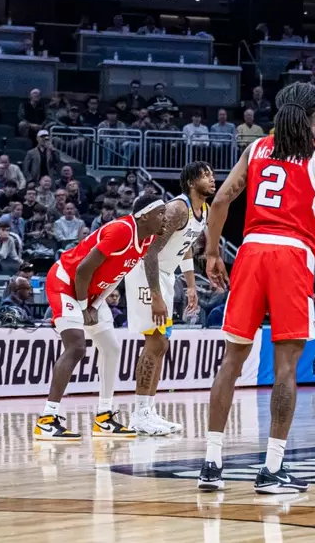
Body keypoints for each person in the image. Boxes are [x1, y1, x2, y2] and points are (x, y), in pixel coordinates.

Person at [199, 82, 315, 494]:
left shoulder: (257, 148)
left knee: (231, 362)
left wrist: (212, 254)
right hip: (292, 256)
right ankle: (272, 468)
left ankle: (211, 463)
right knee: (285, 368)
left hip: (250, 252)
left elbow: (222, 200)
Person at [34, 198, 184, 441]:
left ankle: (104, 417)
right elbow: (83, 269)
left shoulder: (146, 240)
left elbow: (116, 276)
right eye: (160, 213)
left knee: (112, 348)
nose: (165, 218)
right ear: (144, 216)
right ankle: (47, 419)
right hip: (65, 282)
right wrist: (84, 307)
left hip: (91, 292)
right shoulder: (121, 230)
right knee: (77, 347)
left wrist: (95, 303)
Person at [125, 161, 215, 436]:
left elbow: (185, 248)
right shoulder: (177, 209)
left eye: (211, 174)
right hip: (146, 272)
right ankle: (139, 414)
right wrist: (156, 296)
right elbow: (149, 253)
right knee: (155, 341)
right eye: (206, 175)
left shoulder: (204, 210)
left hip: (165, 275)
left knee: (161, 344)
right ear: (191, 182)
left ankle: (148, 410)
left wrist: (190, 286)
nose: (212, 179)